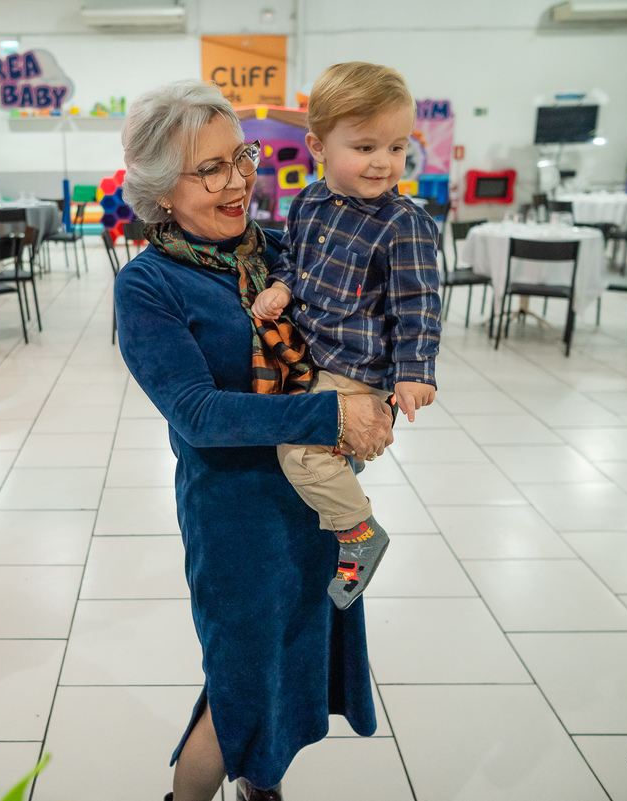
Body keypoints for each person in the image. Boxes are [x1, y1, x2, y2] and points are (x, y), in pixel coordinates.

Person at [115, 80, 397, 801]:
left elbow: (352, 328)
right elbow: (199, 414)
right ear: (161, 191)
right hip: (237, 519)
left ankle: (261, 781)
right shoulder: (149, 286)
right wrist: (332, 418)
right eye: (210, 169)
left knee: (294, 663)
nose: (239, 180)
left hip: (317, 509)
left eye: (240, 156)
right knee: (238, 684)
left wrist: (382, 390)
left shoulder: (278, 250)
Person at [250, 61, 442, 610]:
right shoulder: (308, 202)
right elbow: (294, 259)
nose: (384, 162)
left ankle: (358, 531)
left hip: (355, 367)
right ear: (318, 146)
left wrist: (414, 373)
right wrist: (282, 287)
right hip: (308, 354)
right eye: (364, 147)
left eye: (397, 147)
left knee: (301, 453)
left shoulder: (403, 223)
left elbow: (418, 303)